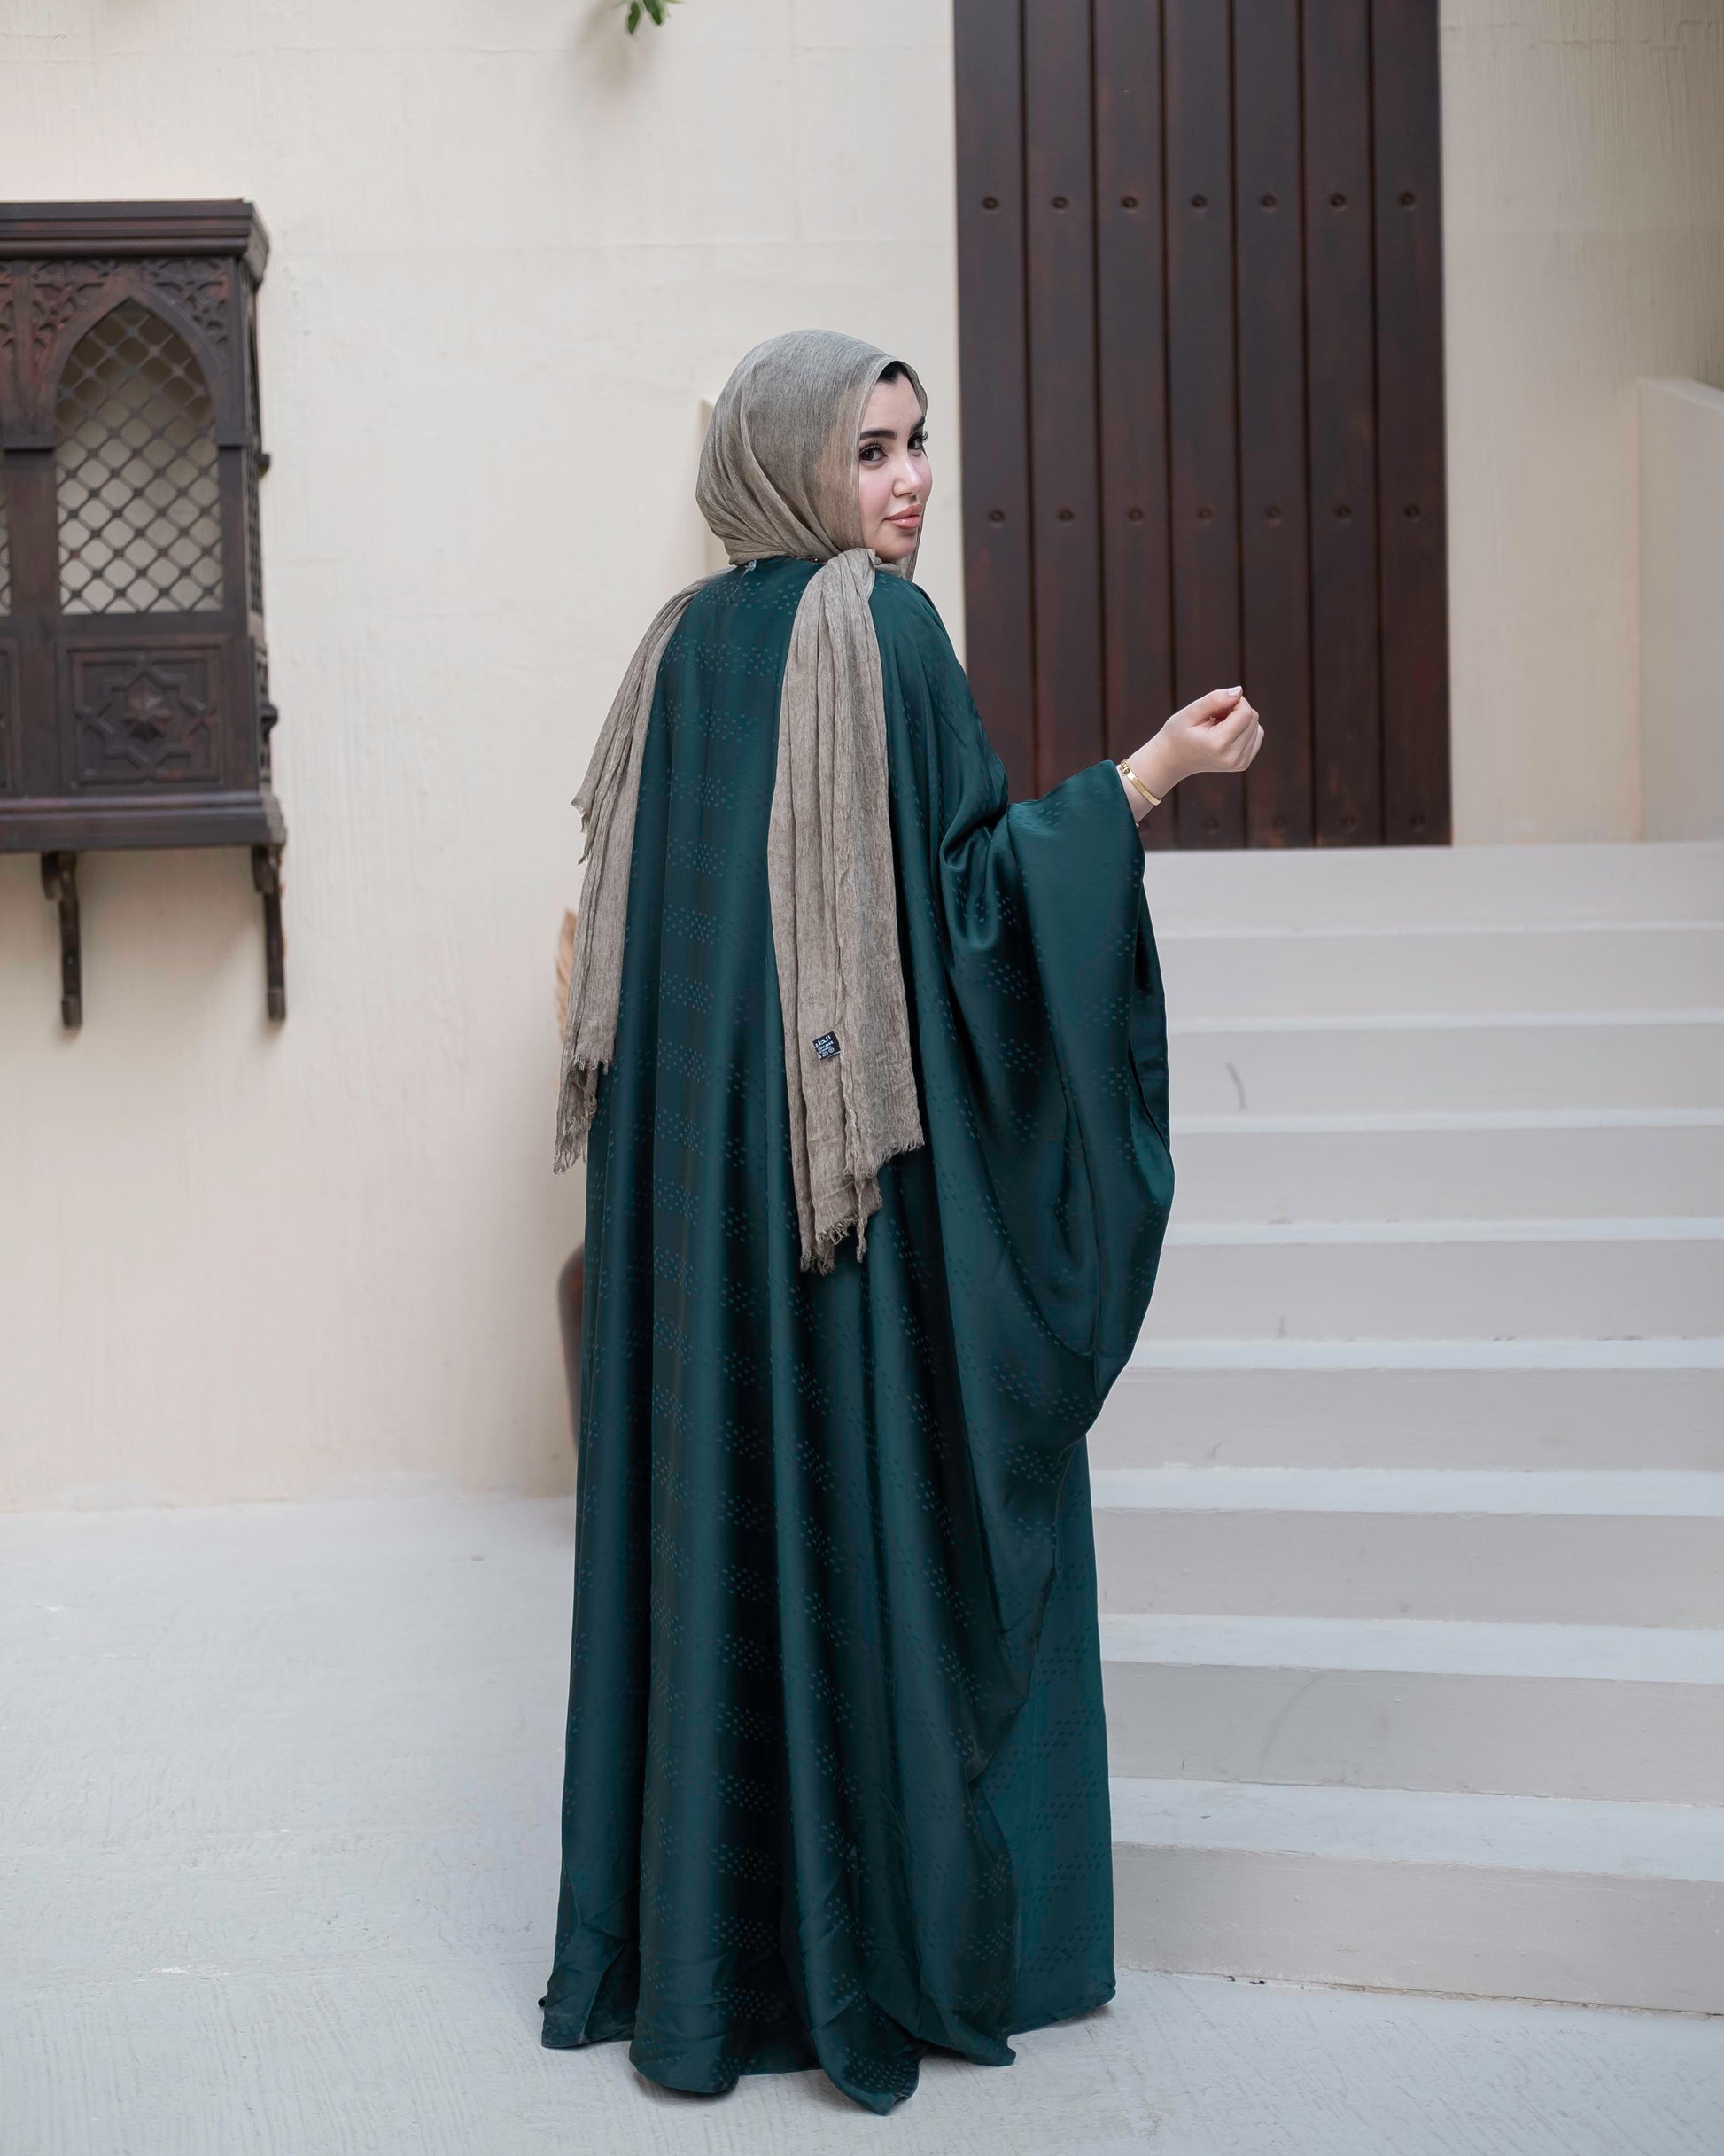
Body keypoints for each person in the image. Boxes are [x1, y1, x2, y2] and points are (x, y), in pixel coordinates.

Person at [540, 329, 1262, 2113]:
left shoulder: (673, 652)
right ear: (791, 460)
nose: (912, 481)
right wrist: (1139, 783)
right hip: (839, 1221)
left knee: (727, 1537)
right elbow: (971, 915)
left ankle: (707, 1960)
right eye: (870, 450)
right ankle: (884, 1938)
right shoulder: (876, 629)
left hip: (705, 1221)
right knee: (889, 1521)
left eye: (917, 442)